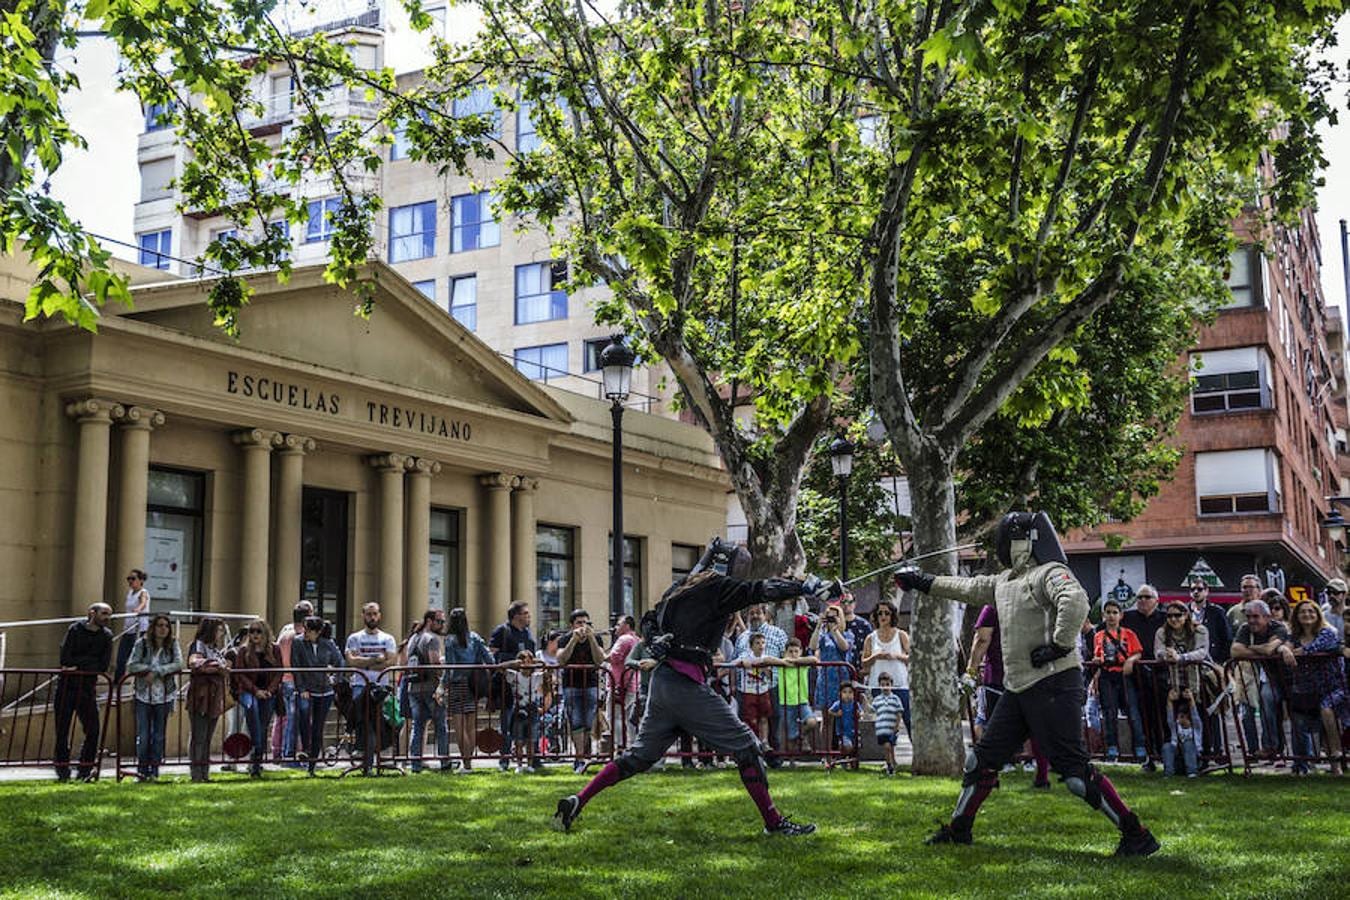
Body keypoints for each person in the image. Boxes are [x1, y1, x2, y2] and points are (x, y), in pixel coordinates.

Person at [898, 511, 1159, 856]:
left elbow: (1076, 600)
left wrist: (1060, 644)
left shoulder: (1049, 573)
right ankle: (959, 830)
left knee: (1075, 772)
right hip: (1019, 687)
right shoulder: (1005, 580)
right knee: (982, 761)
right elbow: (969, 588)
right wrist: (922, 581)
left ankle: (1136, 833)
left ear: (1023, 541)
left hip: (1054, 684)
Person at [553, 538, 830, 836]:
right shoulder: (718, 588)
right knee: (747, 747)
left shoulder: (681, 587)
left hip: (663, 684)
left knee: (638, 757)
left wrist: (656, 640)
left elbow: (649, 619)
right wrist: (807, 587)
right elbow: (760, 590)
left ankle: (578, 800)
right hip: (685, 686)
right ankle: (774, 823)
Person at [965, 602, 1050, 786]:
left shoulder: (993, 606)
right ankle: (1041, 776)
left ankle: (990, 775)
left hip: (999, 677)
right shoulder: (1033, 604)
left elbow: (982, 640)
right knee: (1035, 727)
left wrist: (971, 670)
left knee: (994, 730)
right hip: (1031, 675)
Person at [54, 602, 114, 782]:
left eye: (109, 615)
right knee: (62, 731)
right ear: (91, 613)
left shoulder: (106, 636)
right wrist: (88, 663)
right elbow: (65, 658)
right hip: (66, 687)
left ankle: (85, 769)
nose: (107, 618)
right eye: (104, 613)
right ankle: (62, 771)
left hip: (88, 689)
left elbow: (103, 665)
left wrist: (78, 665)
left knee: (93, 730)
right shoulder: (75, 630)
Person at [1286, 601, 1348, 775]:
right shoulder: (1295, 636)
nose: (1307, 615)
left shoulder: (1327, 632)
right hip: (1310, 689)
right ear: (1296, 616)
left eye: (1311, 611)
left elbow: (1317, 646)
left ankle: (1336, 754)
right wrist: (1285, 650)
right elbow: (1285, 645)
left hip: (1335, 686)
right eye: (1303, 612)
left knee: (1326, 710)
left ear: (1318, 614)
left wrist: (1300, 651)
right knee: (1314, 722)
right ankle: (1319, 766)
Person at [1230, 599, 1292, 759]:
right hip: (1258, 677)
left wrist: (1249, 649)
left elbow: (1270, 649)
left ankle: (1278, 748)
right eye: (1248, 616)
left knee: (1271, 701)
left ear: (1267, 617)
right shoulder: (1245, 629)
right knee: (1251, 707)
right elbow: (1235, 651)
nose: (1251, 620)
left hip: (1286, 678)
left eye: (1256, 617)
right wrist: (1261, 650)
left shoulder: (1278, 627)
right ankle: (1258, 749)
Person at [438, 606, 495, 771]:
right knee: (470, 726)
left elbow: (450, 667)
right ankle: (469, 764)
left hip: (457, 684)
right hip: (473, 684)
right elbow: (489, 660)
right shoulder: (475, 637)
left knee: (459, 727)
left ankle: (467, 764)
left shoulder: (450, 640)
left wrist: (442, 685)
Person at [125, 614, 182, 781]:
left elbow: (179, 663)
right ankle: (142, 770)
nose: (163, 629)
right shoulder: (141, 644)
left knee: (158, 735)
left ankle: (155, 770)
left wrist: (158, 671)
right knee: (143, 735)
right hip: (143, 695)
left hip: (164, 695)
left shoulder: (173, 644)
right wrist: (147, 670)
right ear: (153, 627)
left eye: (166, 626)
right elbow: (131, 665)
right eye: (159, 625)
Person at [345, 602, 397, 773]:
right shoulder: (354, 638)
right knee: (363, 723)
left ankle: (378, 759)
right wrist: (376, 660)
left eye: (375, 614)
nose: (372, 617)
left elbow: (391, 661)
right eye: (369, 614)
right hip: (360, 686)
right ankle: (365, 761)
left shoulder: (387, 638)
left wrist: (364, 663)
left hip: (380, 688)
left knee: (381, 724)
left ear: (379, 615)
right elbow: (351, 661)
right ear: (363, 616)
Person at [1093, 599, 1147, 762]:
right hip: (1107, 675)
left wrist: (1130, 660)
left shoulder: (1129, 634)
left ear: (1121, 615)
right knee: (1109, 713)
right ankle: (1112, 749)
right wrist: (1096, 661)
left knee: (1133, 712)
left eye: (1114, 612)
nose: (1111, 616)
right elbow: (1097, 654)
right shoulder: (1098, 635)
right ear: (1103, 615)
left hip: (1124, 675)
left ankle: (1139, 748)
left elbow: (1138, 652)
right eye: (1108, 612)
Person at [291, 615, 344, 775]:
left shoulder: (328, 644)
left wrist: (335, 679)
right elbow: (296, 666)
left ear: (318, 631)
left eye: (309, 630)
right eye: (304, 629)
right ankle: (306, 750)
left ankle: (312, 763)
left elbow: (339, 662)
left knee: (318, 727)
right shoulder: (298, 642)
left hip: (324, 690)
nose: (305, 632)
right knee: (304, 715)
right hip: (307, 689)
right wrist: (301, 689)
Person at [1122, 586, 1166, 770]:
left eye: (1147, 597)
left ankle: (1166, 754)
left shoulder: (1165, 618)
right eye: (1139, 597)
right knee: (1140, 716)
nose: (1142, 600)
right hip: (1136, 676)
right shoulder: (1128, 617)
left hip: (1161, 674)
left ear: (1156, 600)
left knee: (1162, 716)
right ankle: (1148, 757)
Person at [1186, 577, 1231, 759]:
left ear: (1206, 591)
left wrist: (1221, 663)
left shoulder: (1216, 612)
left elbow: (1226, 637)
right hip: (1191, 667)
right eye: (1193, 589)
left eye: (1199, 589)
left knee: (1212, 707)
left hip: (1211, 666)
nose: (1196, 592)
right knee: (1194, 708)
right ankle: (1201, 748)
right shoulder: (1184, 611)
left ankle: (1217, 748)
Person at [733, 604, 788, 752]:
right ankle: (751, 754)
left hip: (770, 686)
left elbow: (786, 657)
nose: (755, 616)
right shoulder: (742, 637)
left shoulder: (778, 633)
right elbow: (735, 659)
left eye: (758, 613)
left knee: (772, 719)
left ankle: (773, 756)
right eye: (751, 614)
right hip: (745, 688)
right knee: (747, 721)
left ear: (766, 615)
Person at [556, 608, 605, 774]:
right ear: (572, 625)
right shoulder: (565, 639)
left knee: (588, 722)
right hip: (571, 685)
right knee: (575, 721)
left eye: (585, 622)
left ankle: (584, 756)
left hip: (590, 685)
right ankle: (579, 758)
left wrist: (591, 638)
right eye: (579, 623)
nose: (583, 626)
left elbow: (600, 660)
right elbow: (561, 660)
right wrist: (573, 641)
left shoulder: (595, 638)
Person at [489, 601, 536, 771]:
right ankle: (504, 759)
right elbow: (492, 655)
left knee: (526, 726)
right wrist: (512, 661)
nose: (528, 616)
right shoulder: (502, 631)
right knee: (506, 724)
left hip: (526, 686)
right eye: (525, 613)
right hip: (506, 686)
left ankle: (527, 760)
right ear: (516, 616)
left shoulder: (528, 634)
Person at [232, 619, 281, 777]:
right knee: (251, 709)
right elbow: (240, 675)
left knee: (262, 724)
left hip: (268, 692)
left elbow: (279, 671)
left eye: (258, 631)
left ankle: (256, 762)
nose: (254, 635)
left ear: (265, 632)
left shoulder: (275, 649)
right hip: (248, 691)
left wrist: (270, 690)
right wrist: (255, 691)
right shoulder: (243, 651)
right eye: (251, 631)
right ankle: (257, 753)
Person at [406, 608, 450, 773]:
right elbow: (434, 665)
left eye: (443, 621)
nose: (442, 625)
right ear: (429, 621)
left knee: (418, 726)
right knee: (440, 725)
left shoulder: (413, 638)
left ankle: (415, 763)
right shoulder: (431, 639)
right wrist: (442, 677)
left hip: (413, 688)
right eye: (439, 621)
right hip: (430, 688)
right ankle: (444, 761)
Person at [186, 617, 230, 783]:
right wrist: (217, 666)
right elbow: (194, 662)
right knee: (199, 736)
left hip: (214, 696)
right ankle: (196, 773)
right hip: (201, 696)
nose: (221, 634)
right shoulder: (198, 645)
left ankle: (205, 772)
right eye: (219, 630)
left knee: (207, 737)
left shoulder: (215, 649)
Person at [862, 599, 910, 737]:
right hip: (878, 686)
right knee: (883, 723)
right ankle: (889, 757)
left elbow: (911, 657)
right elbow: (864, 663)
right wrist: (875, 657)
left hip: (900, 685)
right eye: (880, 613)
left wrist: (895, 656)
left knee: (907, 718)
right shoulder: (871, 638)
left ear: (892, 615)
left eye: (887, 613)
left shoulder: (901, 635)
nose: (883, 616)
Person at [274, 600, 313, 766]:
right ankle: (289, 755)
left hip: (285, 679)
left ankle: (281, 752)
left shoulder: (285, 631)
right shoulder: (300, 636)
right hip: (295, 681)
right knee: (293, 719)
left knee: (286, 718)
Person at [810, 601, 853, 751]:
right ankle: (826, 754)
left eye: (835, 617)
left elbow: (845, 647)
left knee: (844, 716)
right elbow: (813, 646)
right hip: (826, 679)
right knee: (827, 718)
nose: (832, 620)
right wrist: (818, 626)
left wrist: (836, 631)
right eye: (829, 618)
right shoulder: (823, 636)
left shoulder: (847, 634)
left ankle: (845, 752)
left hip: (841, 679)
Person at [731, 632, 781, 743]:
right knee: (750, 719)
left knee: (764, 717)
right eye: (757, 643)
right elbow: (734, 663)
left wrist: (765, 668)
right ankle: (753, 741)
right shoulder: (746, 656)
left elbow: (771, 676)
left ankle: (764, 741)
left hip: (763, 691)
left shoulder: (767, 658)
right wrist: (743, 662)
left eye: (763, 643)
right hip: (749, 692)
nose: (761, 646)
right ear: (751, 646)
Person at [776, 638, 820, 757]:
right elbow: (768, 660)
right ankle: (791, 762)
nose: (793, 654)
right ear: (785, 652)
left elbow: (814, 660)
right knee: (790, 738)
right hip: (786, 702)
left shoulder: (802, 664)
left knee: (812, 722)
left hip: (802, 700)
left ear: (800, 652)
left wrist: (796, 660)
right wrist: (785, 661)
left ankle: (802, 735)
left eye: (796, 651)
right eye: (790, 651)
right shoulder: (781, 664)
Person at [506, 649, 545, 772]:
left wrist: (536, 661)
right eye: (523, 661)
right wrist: (514, 663)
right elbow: (500, 667)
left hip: (532, 709)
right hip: (518, 709)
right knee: (518, 740)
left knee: (531, 739)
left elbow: (547, 668)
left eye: (529, 662)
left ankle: (530, 764)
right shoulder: (514, 675)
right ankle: (519, 765)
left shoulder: (536, 677)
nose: (526, 665)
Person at [606, 615, 641, 750]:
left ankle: (620, 747)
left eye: (619, 623)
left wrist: (600, 657)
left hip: (619, 684)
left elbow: (614, 657)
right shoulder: (637, 639)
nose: (615, 626)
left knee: (614, 717)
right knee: (630, 718)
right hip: (632, 684)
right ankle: (633, 746)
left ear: (627, 625)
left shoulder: (624, 639)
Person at [114, 569, 151, 685]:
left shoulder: (143, 592)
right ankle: (117, 682)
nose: (130, 581)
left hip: (139, 629)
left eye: (133, 578)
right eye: (128, 579)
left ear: (141, 580)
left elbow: (143, 602)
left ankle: (139, 683)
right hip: (128, 628)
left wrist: (139, 609)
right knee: (121, 658)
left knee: (138, 657)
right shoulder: (130, 593)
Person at [871, 672, 904, 776]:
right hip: (881, 729)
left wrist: (897, 725)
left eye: (887, 684)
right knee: (887, 747)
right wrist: (864, 701)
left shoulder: (895, 699)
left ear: (891, 685)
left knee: (890, 746)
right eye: (883, 685)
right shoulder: (877, 700)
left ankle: (890, 765)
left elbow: (899, 712)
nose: (885, 687)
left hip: (892, 728)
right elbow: (871, 710)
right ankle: (890, 764)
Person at [1161, 699, 1199, 778]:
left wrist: (1191, 698)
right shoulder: (1175, 726)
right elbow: (1170, 716)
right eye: (1181, 716)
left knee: (1188, 743)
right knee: (1167, 746)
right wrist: (1169, 701)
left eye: (1187, 716)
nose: (1184, 719)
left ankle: (1192, 772)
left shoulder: (1196, 727)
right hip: (1178, 758)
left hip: (1194, 758)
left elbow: (1194, 713)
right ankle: (1168, 773)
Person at [827, 682, 861, 765]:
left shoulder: (855, 704)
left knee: (857, 747)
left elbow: (861, 713)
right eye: (844, 692)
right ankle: (843, 757)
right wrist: (836, 714)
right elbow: (829, 711)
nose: (847, 695)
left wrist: (858, 714)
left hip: (854, 731)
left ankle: (851, 760)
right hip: (843, 732)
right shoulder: (838, 704)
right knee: (848, 746)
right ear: (840, 694)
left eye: (850, 692)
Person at [840, 593, 873, 672]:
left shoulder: (864, 625)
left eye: (849, 602)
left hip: (858, 669)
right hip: (838, 669)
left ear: (854, 604)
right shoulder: (834, 624)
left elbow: (871, 648)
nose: (846, 604)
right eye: (843, 602)